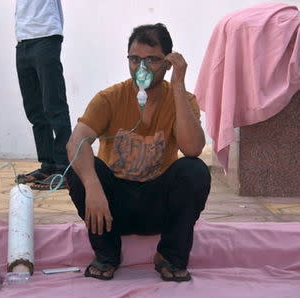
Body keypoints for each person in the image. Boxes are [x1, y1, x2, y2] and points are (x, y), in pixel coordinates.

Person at [66, 23, 211, 282]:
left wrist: (177, 85)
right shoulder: (110, 98)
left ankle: (170, 256)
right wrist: (92, 185)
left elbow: (192, 148)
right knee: (81, 170)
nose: (141, 68)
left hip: (157, 204)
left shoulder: (183, 100)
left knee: (194, 170)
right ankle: (107, 255)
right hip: (114, 207)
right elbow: (75, 142)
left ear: (168, 63)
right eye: (135, 59)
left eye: (152, 60)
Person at [14, 0, 72, 190]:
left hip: (46, 35)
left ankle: (65, 169)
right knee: (35, 111)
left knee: (54, 107)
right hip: (23, 40)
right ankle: (48, 166)